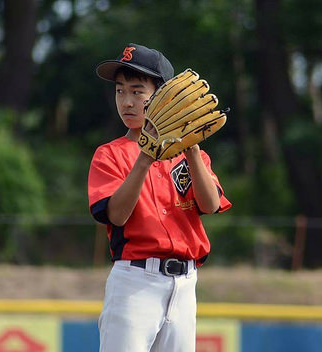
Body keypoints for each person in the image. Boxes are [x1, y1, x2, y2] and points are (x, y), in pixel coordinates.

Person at [88, 43, 232, 352]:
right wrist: (144, 158)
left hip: (184, 284)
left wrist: (191, 146)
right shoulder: (109, 155)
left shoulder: (194, 157)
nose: (127, 101)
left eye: (138, 92)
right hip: (134, 283)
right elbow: (116, 216)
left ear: (165, 96)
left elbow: (210, 204)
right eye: (120, 91)